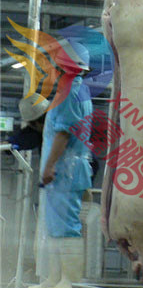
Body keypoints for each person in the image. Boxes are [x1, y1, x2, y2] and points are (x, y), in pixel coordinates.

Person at [33, 40, 93, 288]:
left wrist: (49, 166)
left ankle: (69, 279)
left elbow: (63, 133)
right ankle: (56, 277)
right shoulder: (75, 90)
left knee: (66, 228)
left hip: (64, 170)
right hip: (67, 170)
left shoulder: (69, 91)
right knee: (56, 227)